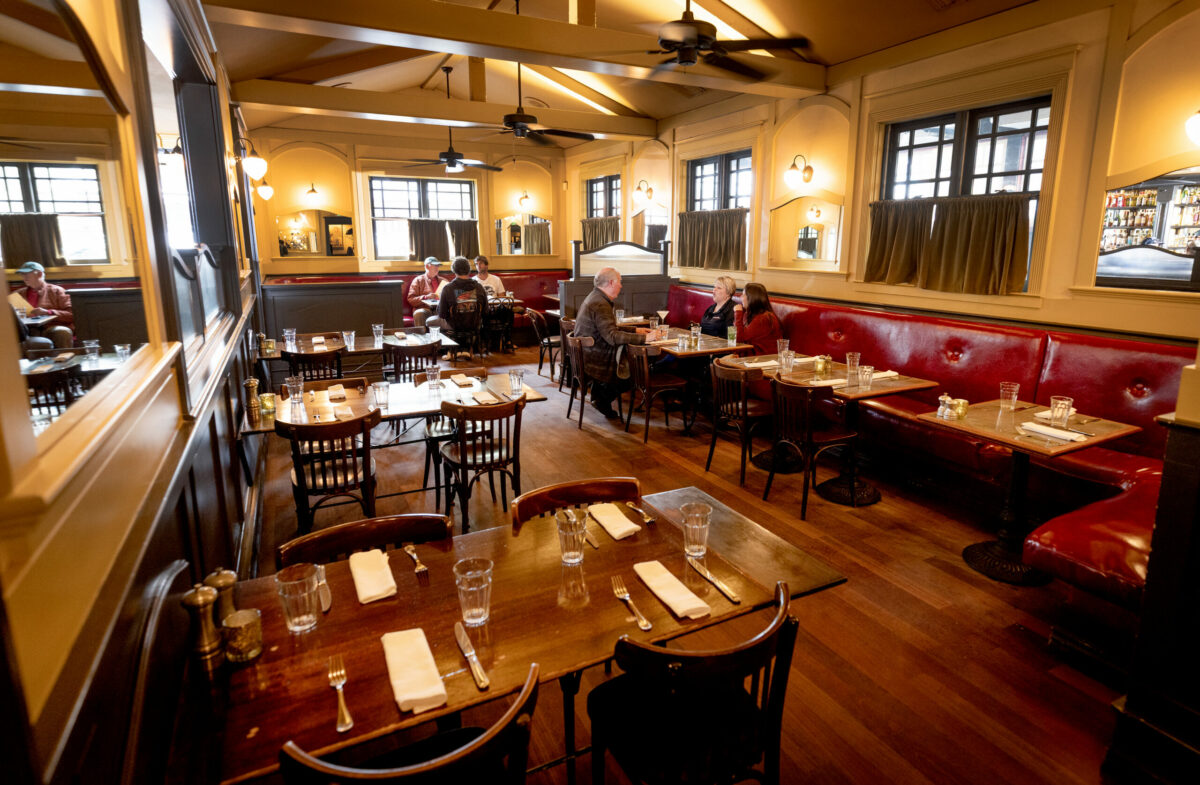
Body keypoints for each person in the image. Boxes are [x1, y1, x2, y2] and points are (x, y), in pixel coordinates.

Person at [573, 267, 650, 419]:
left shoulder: (595, 297)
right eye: (619, 282)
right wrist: (646, 339)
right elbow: (612, 337)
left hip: (589, 353)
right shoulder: (600, 303)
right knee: (636, 374)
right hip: (597, 358)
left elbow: (608, 329)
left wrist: (636, 331)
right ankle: (602, 398)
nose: (621, 285)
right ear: (611, 282)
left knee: (634, 366)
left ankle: (600, 392)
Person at [734, 282, 783, 402]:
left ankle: (730, 411)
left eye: (744, 294)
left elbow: (739, 338)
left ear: (752, 298)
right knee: (721, 362)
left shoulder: (764, 318)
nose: (741, 297)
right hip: (753, 360)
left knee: (722, 364)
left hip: (764, 364)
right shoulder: (754, 315)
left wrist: (738, 313)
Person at [15, 261, 73, 348]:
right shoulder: (18, 294)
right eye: (22, 274)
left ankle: (63, 359)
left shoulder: (57, 291)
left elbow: (71, 315)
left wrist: (48, 312)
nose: (24, 277)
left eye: (27, 274)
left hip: (49, 328)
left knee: (62, 332)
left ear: (39, 274)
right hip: (26, 331)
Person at [434, 256, 488, 330]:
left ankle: (445, 341)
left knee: (428, 321)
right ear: (469, 269)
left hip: (454, 326)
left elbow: (442, 314)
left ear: (454, 270)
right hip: (475, 325)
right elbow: (485, 312)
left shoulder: (448, 289)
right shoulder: (479, 287)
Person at [408, 257, 447, 327]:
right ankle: (422, 337)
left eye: (438, 266)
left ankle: (448, 337)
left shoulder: (444, 281)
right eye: (435, 265)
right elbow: (411, 299)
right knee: (419, 313)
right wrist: (426, 297)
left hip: (441, 310)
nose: (437, 268)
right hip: (426, 310)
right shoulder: (418, 280)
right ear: (427, 266)